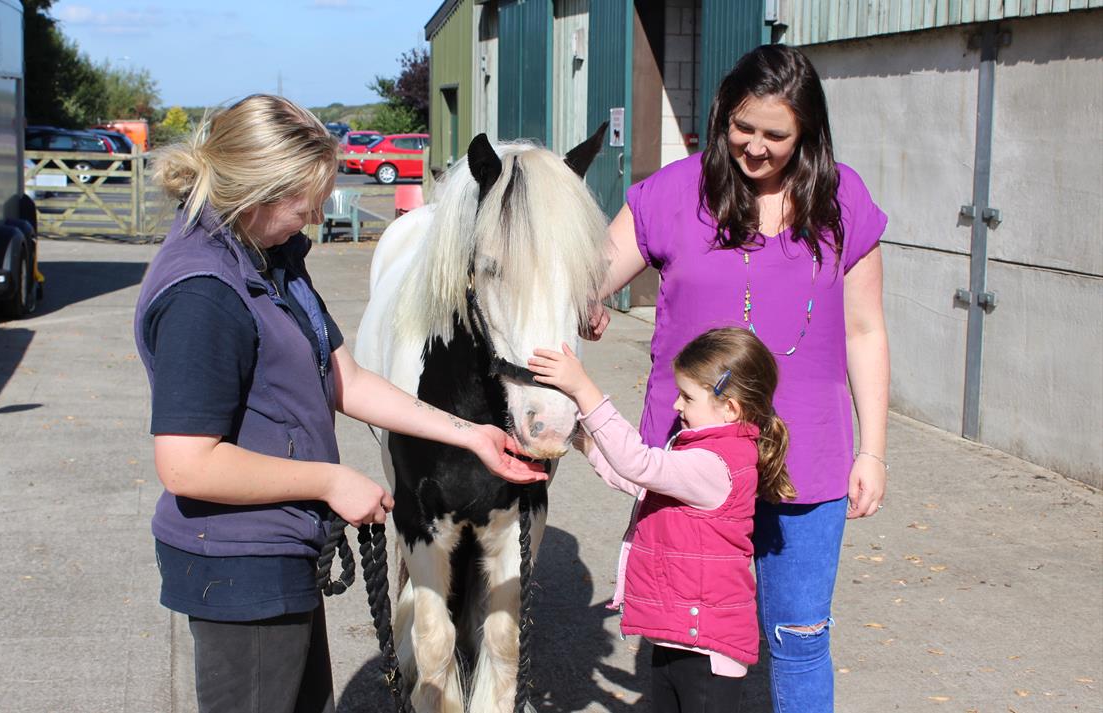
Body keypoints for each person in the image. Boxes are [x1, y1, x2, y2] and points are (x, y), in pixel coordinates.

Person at [132, 94, 544, 713]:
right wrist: (330, 480)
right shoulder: (203, 294)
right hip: (238, 564)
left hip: (280, 551)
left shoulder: (269, 260)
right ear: (261, 189)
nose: (320, 213)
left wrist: (468, 433)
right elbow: (186, 464)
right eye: (308, 198)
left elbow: (343, 376)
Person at [584, 45, 890, 713]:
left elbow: (865, 332)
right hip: (691, 454)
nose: (753, 147)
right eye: (740, 127)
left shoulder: (843, 200)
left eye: (774, 135)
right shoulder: (674, 191)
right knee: (687, 641)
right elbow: (590, 275)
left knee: (799, 637)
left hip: (807, 455)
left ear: (806, 130)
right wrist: (587, 302)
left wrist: (872, 450)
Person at [529, 328, 796, 713]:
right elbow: (638, 480)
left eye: (688, 396)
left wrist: (584, 390)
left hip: (707, 653)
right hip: (678, 639)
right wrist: (580, 437)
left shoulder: (717, 464)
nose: (676, 406)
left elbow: (638, 463)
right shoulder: (701, 451)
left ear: (731, 408)